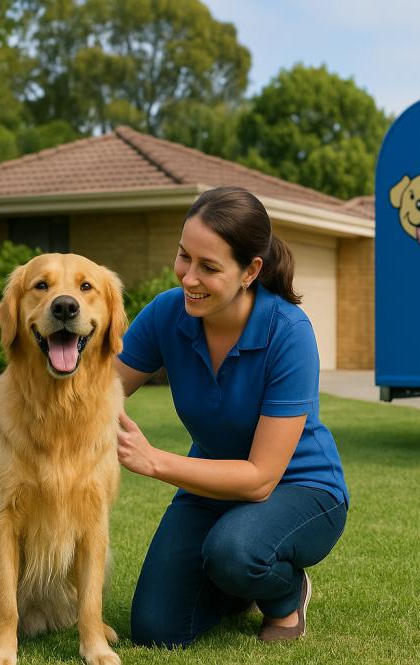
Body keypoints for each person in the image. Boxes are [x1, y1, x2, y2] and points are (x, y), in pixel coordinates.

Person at [113, 186, 349, 647]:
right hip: (210, 486)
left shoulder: (289, 332)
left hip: (300, 488)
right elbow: (96, 393)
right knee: (156, 629)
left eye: (209, 267)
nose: (188, 278)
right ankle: (236, 582)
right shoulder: (166, 314)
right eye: (184, 257)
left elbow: (261, 478)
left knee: (235, 551)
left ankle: (285, 595)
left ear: (250, 271)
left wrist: (153, 460)